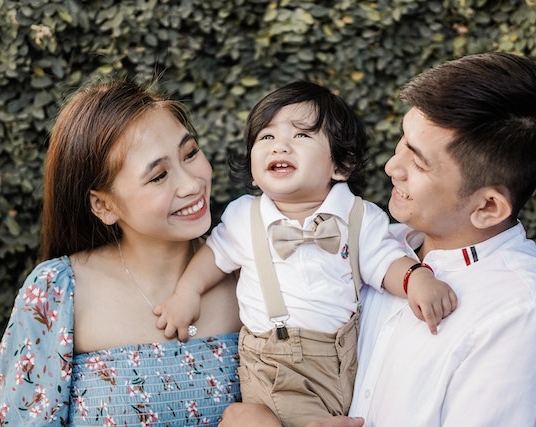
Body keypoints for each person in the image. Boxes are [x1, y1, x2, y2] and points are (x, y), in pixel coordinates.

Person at [218, 52, 536, 427]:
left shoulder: (526, 321)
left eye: (417, 161)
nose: (391, 166)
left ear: (487, 207)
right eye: (403, 139)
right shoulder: (377, 241)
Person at [155, 81, 458, 427]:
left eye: (300, 136)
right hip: (271, 364)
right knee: (255, 419)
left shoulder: (359, 217)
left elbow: (386, 261)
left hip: (339, 365)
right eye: (266, 138)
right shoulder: (245, 217)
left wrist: (416, 278)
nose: (279, 145)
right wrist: (186, 293)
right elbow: (214, 256)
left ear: (340, 166)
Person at [0, 80, 243, 426]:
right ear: (104, 205)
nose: (192, 184)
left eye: (191, 153)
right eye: (158, 176)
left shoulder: (252, 271)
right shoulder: (58, 293)